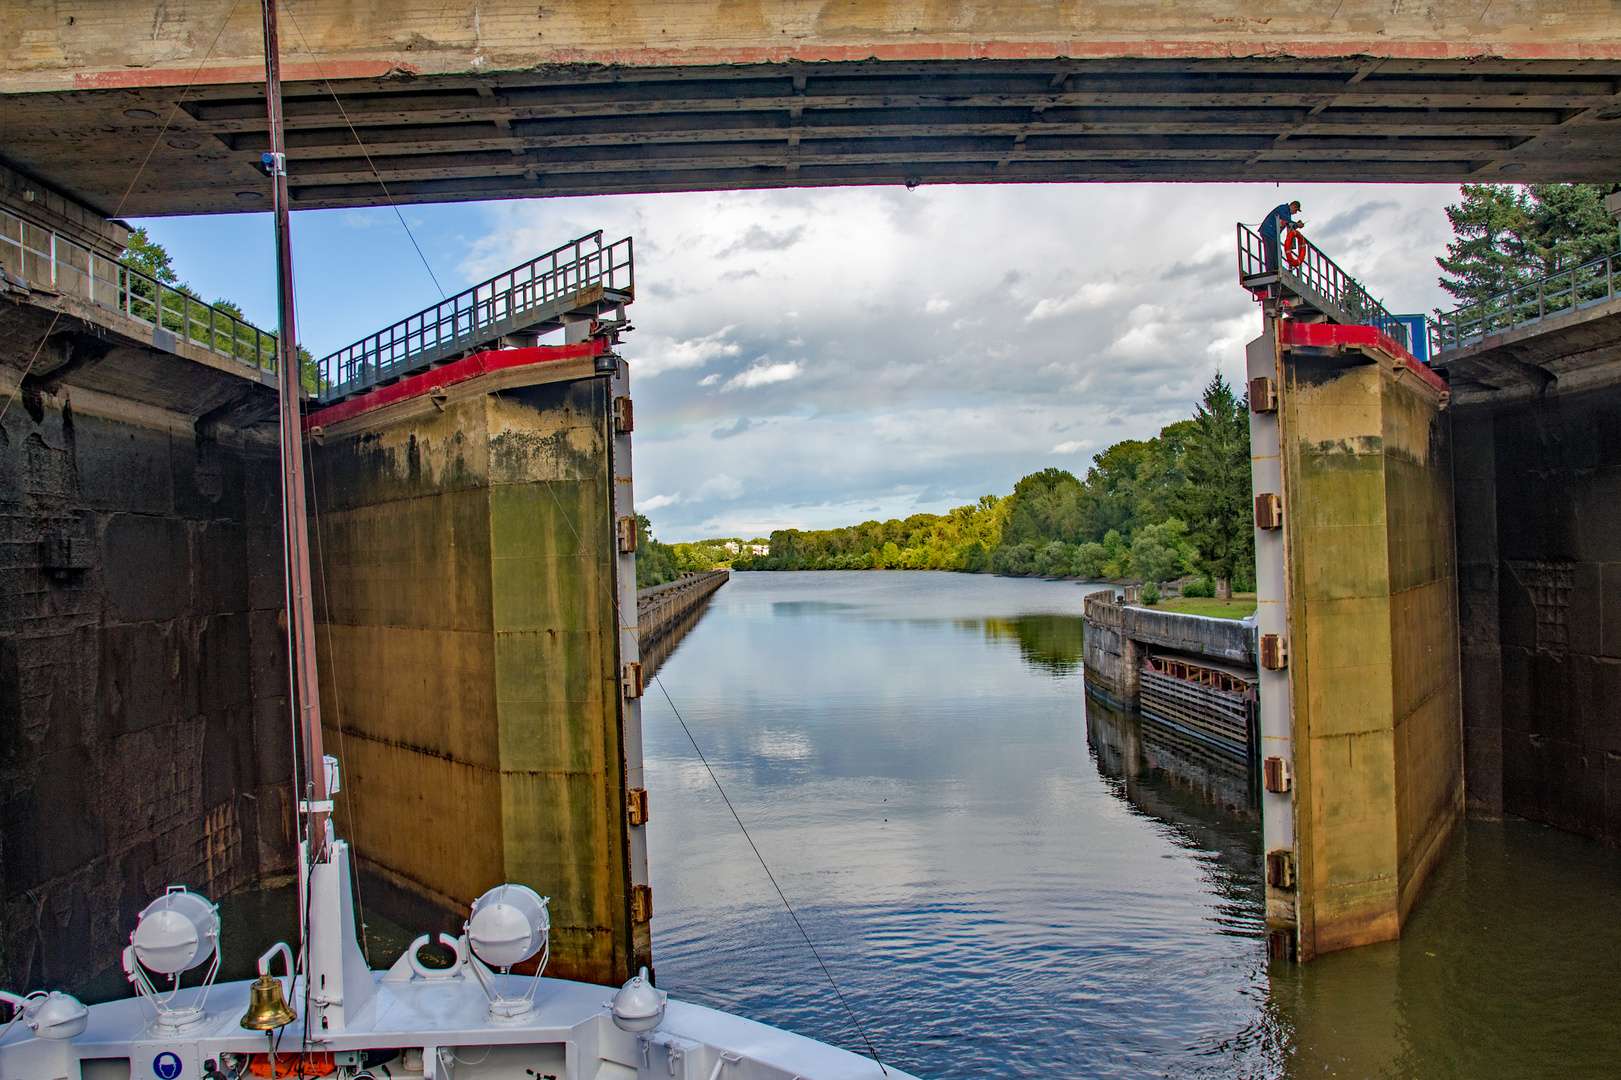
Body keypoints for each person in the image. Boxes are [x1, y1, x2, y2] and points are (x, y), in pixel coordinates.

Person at [1258, 199, 1302, 272]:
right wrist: (1296, 224)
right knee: (1271, 252)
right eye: (1296, 210)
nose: (1295, 213)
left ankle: (1275, 269)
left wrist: (1296, 225)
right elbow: (1287, 220)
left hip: (1273, 234)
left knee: (1277, 252)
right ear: (1294, 207)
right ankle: (1271, 270)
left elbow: (1289, 224)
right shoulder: (1283, 208)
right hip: (1269, 232)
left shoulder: (1286, 212)